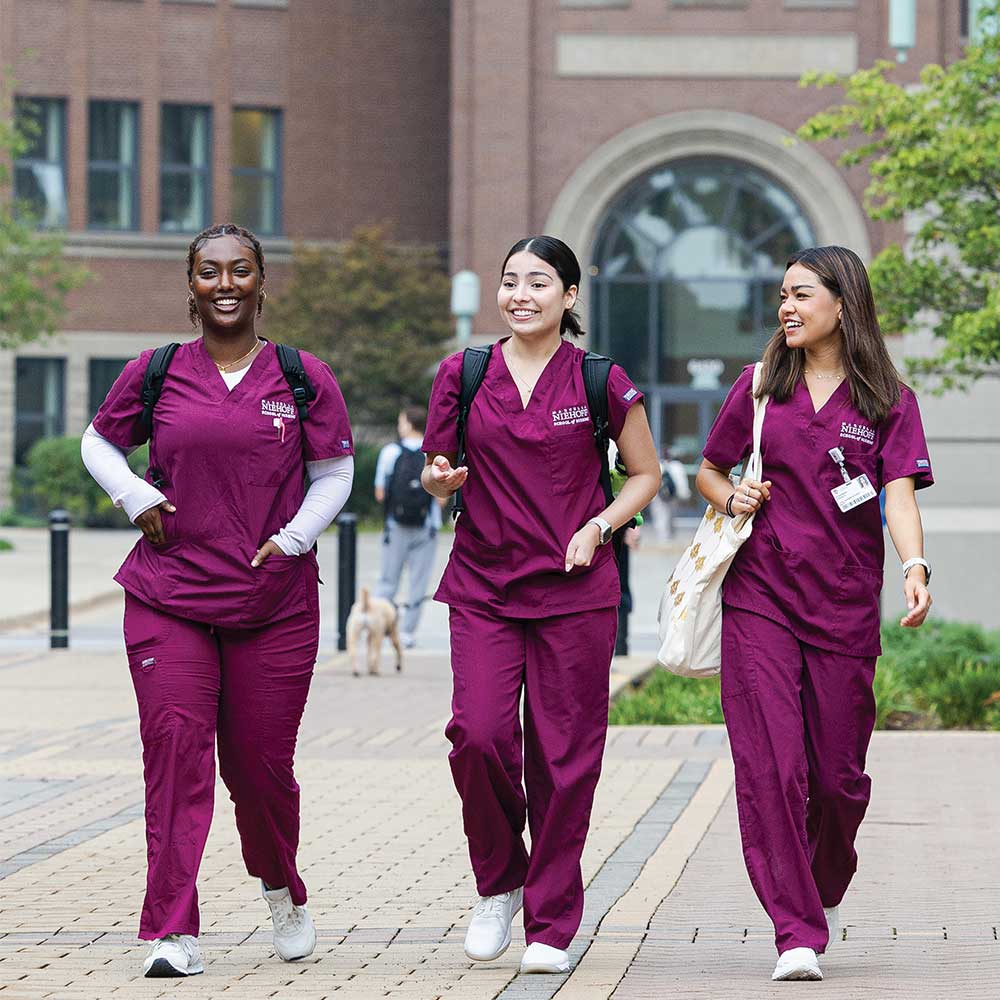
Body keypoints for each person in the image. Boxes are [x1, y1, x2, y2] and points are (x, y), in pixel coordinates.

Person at [81, 224, 355, 978]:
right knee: (176, 753)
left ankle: (281, 887)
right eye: (210, 271)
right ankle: (171, 930)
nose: (225, 283)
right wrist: (135, 495)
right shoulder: (156, 371)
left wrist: (294, 539)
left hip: (273, 602)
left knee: (260, 770)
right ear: (191, 286)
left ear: (262, 283)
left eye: (240, 270)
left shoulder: (302, 376)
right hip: (169, 595)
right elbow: (98, 443)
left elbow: (335, 473)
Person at [420, 236, 660, 974]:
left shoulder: (599, 379)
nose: (520, 295)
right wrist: (439, 483)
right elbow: (436, 469)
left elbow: (644, 476)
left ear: (569, 296)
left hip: (575, 592)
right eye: (510, 282)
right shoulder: (464, 373)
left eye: (538, 282)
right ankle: (500, 882)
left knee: (564, 759)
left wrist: (599, 527)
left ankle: (551, 921)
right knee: (479, 736)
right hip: (485, 586)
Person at [695, 245, 933, 982]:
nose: (787, 308)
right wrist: (732, 495)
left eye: (801, 294)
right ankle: (794, 930)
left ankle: (820, 883)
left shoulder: (888, 399)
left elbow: (897, 494)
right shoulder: (760, 386)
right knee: (772, 765)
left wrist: (915, 567)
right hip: (760, 594)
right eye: (783, 296)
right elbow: (709, 470)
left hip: (844, 604)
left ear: (843, 302)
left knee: (837, 781)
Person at [373, 406, 443, 648]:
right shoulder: (433, 454)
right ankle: (407, 634)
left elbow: (380, 494)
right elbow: (441, 498)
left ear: (408, 424)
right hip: (427, 526)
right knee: (418, 582)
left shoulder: (390, 452)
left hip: (396, 525)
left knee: (388, 579)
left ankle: (379, 629)